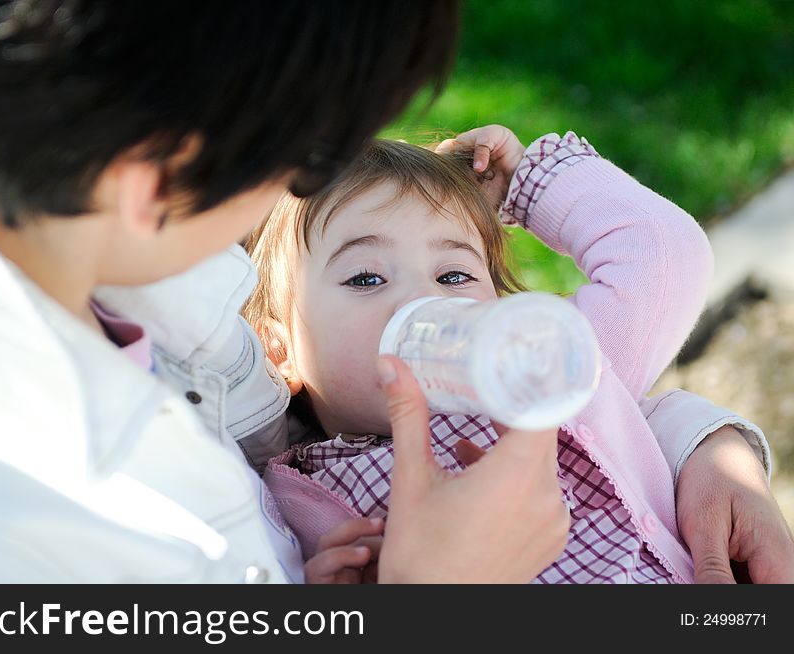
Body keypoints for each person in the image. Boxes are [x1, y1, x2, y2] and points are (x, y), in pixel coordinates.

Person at [0, 1, 790, 583]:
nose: (426, 299)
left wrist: (702, 446)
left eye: (456, 271)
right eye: (306, 152)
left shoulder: (177, 307)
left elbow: (648, 291)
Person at [242, 131, 791, 582]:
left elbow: (663, 257)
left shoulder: (544, 369)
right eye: (366, 277)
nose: (424, 300)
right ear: (279, 352)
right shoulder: (301, 493)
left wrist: (527, 186)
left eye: (454, 274)